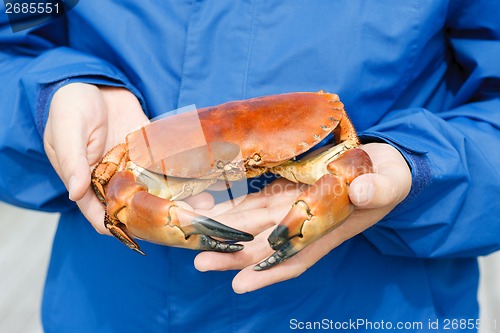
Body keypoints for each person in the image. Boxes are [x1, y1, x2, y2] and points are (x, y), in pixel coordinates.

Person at [1, 1, 499, 332]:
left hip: (373, 310)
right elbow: (14, 30)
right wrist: (50, 95)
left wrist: (417, 165)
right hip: (113, 308)